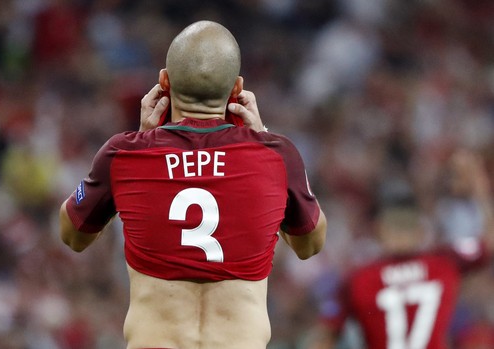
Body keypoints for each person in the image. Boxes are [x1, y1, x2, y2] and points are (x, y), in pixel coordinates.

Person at [58, 20, 327, 349]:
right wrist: (264, 137)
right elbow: (309, 245)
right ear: (237, 89)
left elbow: (72, 235)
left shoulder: (124, 154)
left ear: (164, 82)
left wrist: (141, 146)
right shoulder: (277, 156)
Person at [307, 150, 493, 349]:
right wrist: (479, 190)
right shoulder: (443, 263)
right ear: (420, 230)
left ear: (379, 230)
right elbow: (489, 242)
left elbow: (322, 337)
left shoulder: (359, 278)